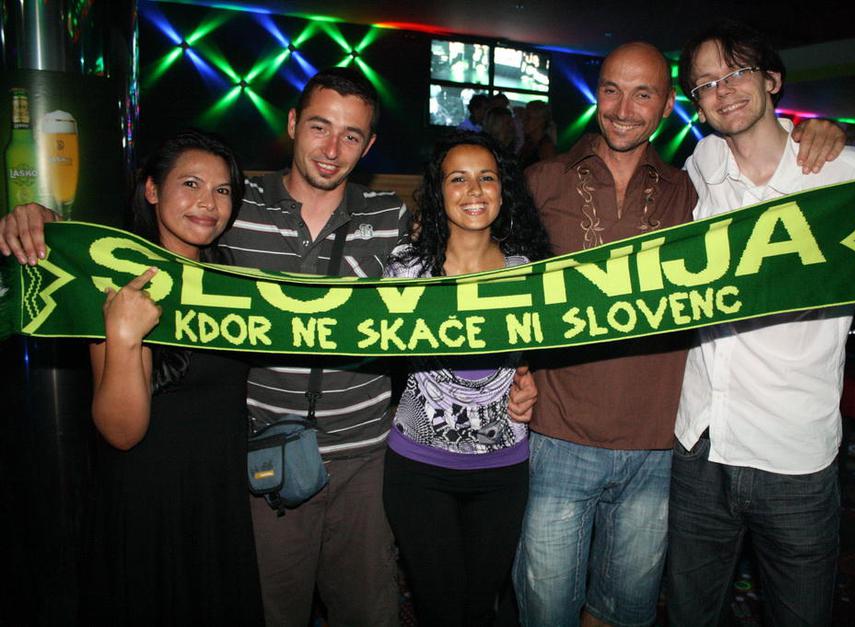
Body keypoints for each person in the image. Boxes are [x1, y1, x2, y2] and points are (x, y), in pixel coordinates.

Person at [0, 67, 537, 627]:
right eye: (320, 127)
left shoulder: (391, 219)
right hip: (265, 461)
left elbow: (456, 281)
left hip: (366, 459)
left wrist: (518, 372)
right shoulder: (231, 207)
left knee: (369, 612)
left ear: (369, 145)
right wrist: (44, 222)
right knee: (270, 611)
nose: (332, 149)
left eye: (351, 135)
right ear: (293, 123)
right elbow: (140, 239)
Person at [512, 41, 847, 627]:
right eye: (612, 90)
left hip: (659, 448)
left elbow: (763, 152)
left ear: (668, 106)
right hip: (558, 438)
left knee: (623, 613)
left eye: (643, 94)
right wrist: (515, 370)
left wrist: (816, 133)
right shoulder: (541, 181)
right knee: (545, 611)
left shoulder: (691, 186)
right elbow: (504, 289)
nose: (624, 109)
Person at [667, 20, 855, 627]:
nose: (722, 90)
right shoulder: (701, 163)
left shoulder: (847, 174)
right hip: (700, 443)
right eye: (706, 83)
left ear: (772, 80)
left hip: (793, 453)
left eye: (737, 72)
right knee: (690, 613)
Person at [82, 129, 264, 625]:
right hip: (151, 506)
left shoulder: (228, 278)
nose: (208, 202)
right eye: (190, 184)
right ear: (151, 189)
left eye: (222, 190)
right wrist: (124, 337)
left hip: (219, 498)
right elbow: (121, 432)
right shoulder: (119, 282)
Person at [381, 131, 552, 626]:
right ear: (439, 191)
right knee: (438, 609)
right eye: (458, 179)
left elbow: (532, 354)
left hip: (502, 472)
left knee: (480, 608)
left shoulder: (527, 272)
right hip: (419, 470)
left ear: (503, 190)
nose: (474, 190)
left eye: (486, 178)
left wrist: (530, 378)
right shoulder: (405, 269)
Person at [518, 100, 556, 169]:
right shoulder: (529, 143)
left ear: (541, 121)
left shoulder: (546, 147)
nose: (523, 121)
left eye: (528, 118)